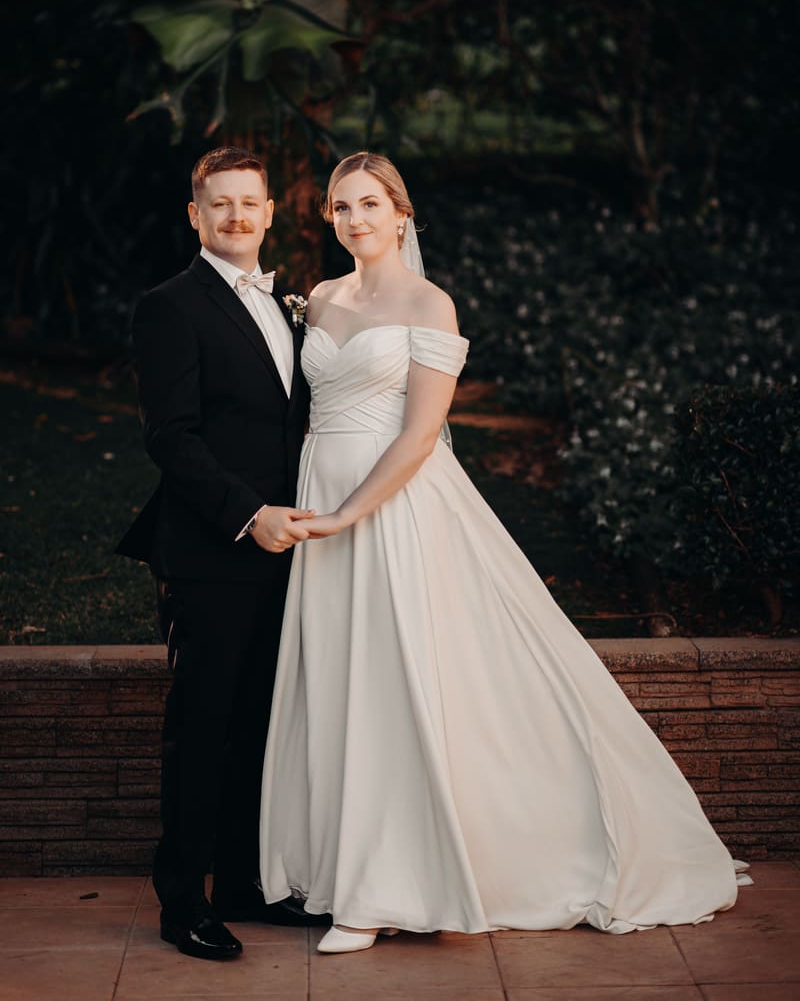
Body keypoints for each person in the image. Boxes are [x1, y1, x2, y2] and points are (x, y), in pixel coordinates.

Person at [258, 151, 751, 955]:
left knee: (399, 678)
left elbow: (420, 434)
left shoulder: (431, 302)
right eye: (342, 207)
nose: (355, 219)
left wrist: (350, 513)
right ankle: (342, 865)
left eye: (370, 204)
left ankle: (387, 886)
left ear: (402, 212)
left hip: (395, 507)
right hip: (323, 499)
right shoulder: (319, 297)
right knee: (341, 677)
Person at [117, 147, 325, 960]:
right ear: (195, 216)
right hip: (214, 548)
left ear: (272, 212)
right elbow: (169, 435)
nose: (237, 217)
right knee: (202, 728)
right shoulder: (170, 305)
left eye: (250, 202)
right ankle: (184, 904)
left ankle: (244, 883)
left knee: (263, 725)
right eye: (220, 204)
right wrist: (250, 514)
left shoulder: (292, 304)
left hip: (292, 552)